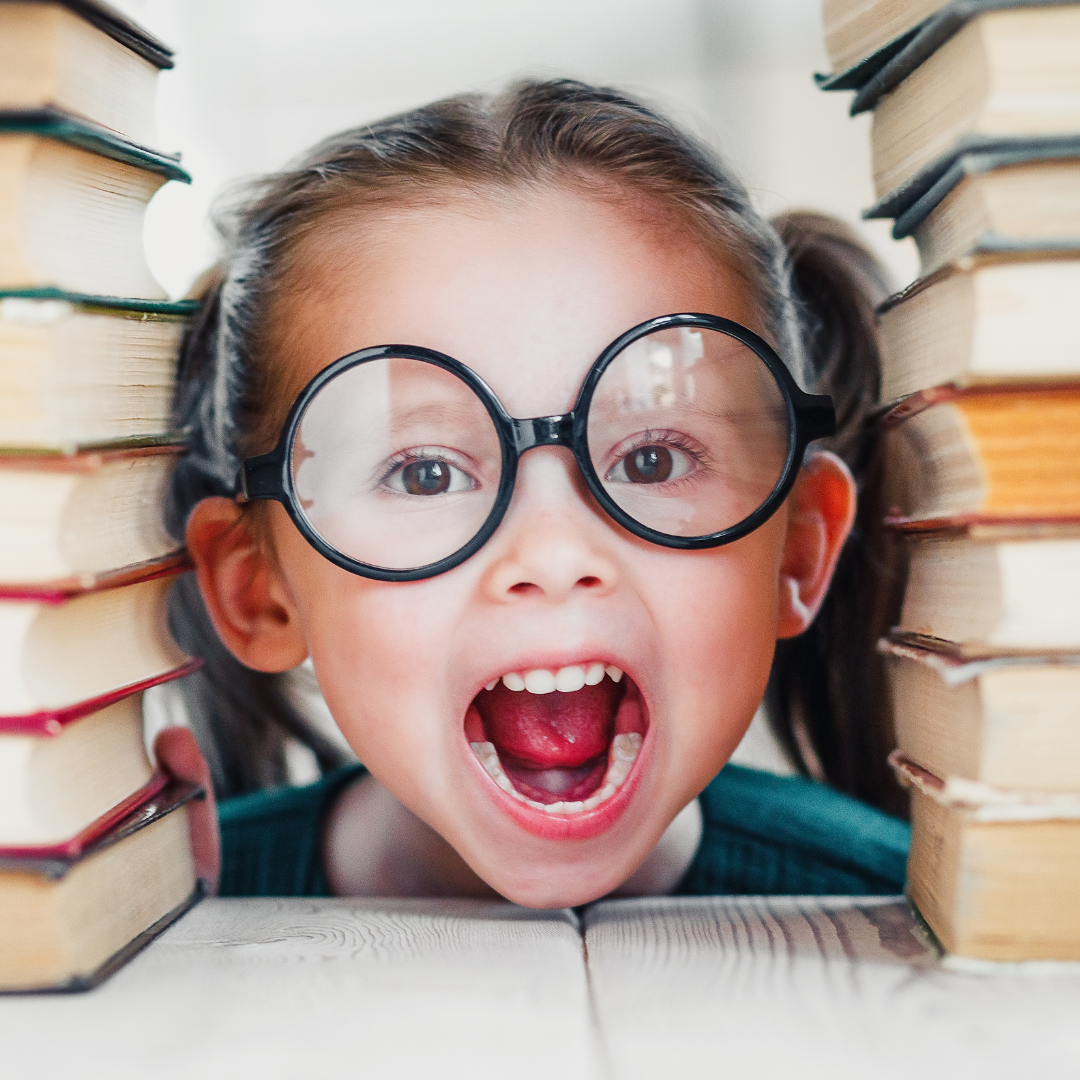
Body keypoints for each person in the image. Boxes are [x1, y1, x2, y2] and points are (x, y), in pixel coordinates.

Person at [154, 79, 910, 907]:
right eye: (425, 473)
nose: (553, 554)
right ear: (261, 594)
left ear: (797, 550)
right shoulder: (165, 918)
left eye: (652, 460)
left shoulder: (900, 902)